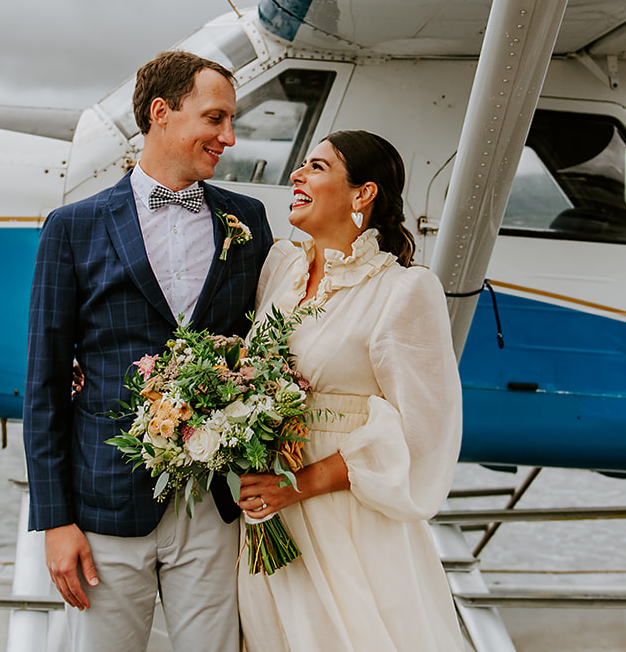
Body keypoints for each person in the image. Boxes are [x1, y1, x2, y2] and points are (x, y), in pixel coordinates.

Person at [24, 50, 273, 652]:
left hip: (214, 505)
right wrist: (56, 521)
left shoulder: (249, 222)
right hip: (106, 504)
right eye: (215, 119)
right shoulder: (72, 227)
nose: (229, 137)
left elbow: (266, 348)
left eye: (231, 121)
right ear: (162, 113)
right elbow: (45, 383)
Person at [236, 130, 466, 652]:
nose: (296, 174)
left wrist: (299, 485)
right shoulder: (281, 270)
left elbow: (424, 434)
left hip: (348, 519)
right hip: (269, 514)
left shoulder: (404, 290)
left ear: (363, 194)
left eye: (316, 167)